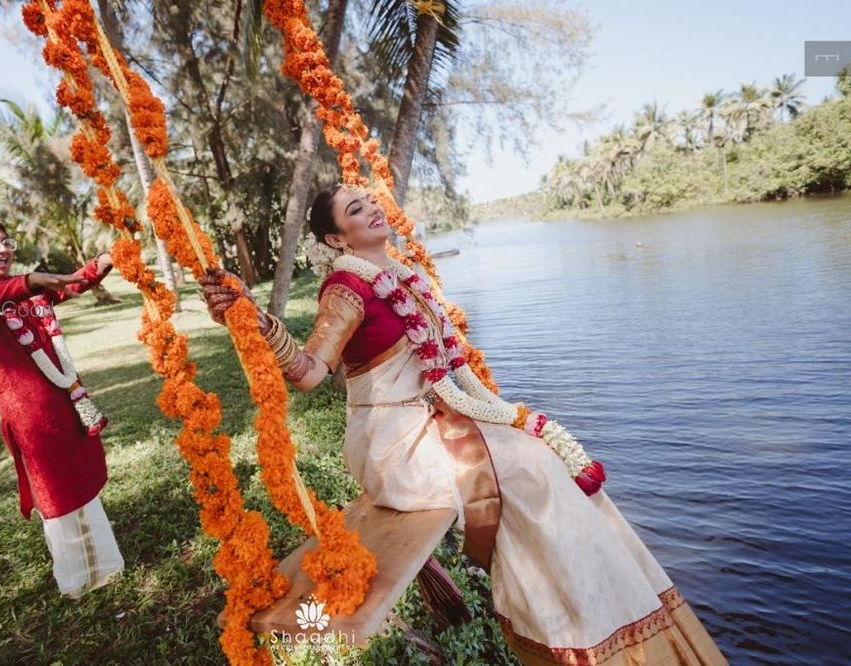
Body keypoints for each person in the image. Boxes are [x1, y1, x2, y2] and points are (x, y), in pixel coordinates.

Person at [199, 184, 728, 665]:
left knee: (545, 461)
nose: (373, 208)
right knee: (532, 472)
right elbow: (312, 373)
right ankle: (575, 638)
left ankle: (610, 613)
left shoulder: (403, 274)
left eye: (371, 200)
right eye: (356, 209)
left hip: (439, 419)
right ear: (336, 237)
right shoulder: (345, 286)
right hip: (395, 443)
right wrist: (257, 322)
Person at [0, 216, 123, 599]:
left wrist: (104, 261)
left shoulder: (29, 292)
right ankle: (76, 581)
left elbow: (73, 282)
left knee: (81, 481)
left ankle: (105, 566)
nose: (2, 250)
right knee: (54, 491)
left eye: (6, 242)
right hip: (29, 414)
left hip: (66, 400)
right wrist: (29, 282)